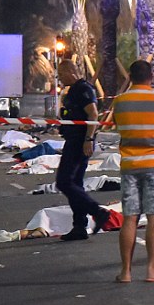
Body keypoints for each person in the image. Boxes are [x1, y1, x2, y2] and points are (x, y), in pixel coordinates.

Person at [113, 59, 154, 283]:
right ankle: (153, 269)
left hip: (129, 166)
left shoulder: (119, 102)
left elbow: (117, 125)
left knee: (129, 218)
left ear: (130, 77)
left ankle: (125, 272)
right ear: (151, 77)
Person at [55, 60, 110, 241]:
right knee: (75, 184)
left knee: (64, 181)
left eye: (61, 74)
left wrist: (89, 139)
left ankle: (97, 211)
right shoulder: (73, 90)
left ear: (70, 72)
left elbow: (93, 114)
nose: (60, 78)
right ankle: (79, 226)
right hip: (73, 139)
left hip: (79, 141)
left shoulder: (83, 89)